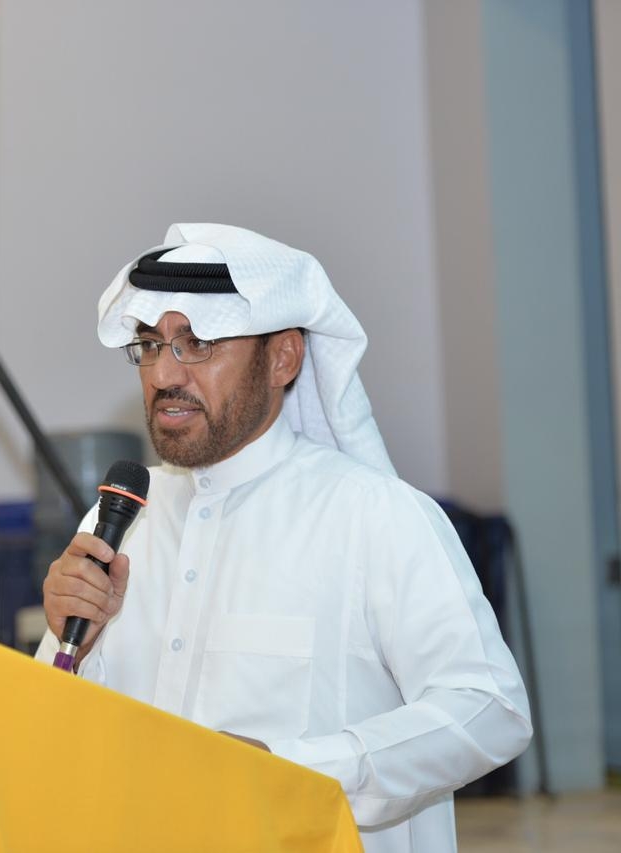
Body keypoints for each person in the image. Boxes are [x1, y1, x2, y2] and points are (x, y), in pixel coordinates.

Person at [36, 224, 532, 852]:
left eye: (198, 343)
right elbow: (60, 736)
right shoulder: (119, 518)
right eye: (151, 344)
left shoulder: (374, 515)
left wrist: (290, 770)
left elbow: (490, 709)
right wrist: (74, 653)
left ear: (283, 359)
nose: (162, 373)